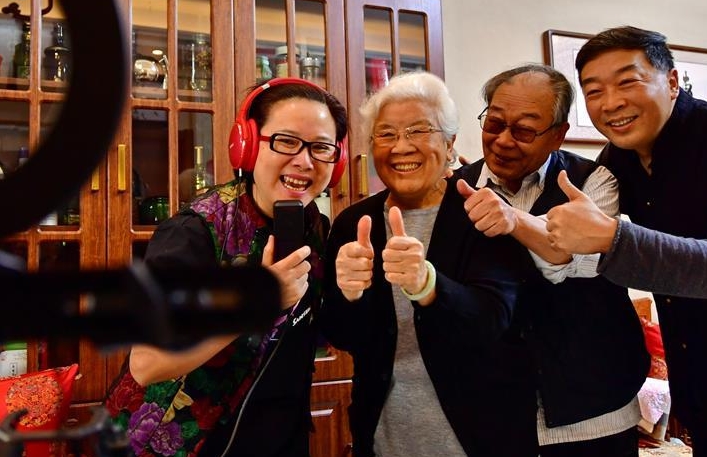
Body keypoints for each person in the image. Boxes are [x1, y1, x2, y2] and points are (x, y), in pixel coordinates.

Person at [545, 25, 707, 457]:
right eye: (594, 91)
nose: (610, 103)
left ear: (672, 82)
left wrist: (612, 237)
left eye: (627, 82)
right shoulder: (620, 158)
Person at [104, 78, 348, 457]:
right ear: (246, 145)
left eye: (321, 147)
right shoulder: (196, 231)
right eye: (286, 141)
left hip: (278, 435)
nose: (304, 161)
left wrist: (351, 288)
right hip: (179, 444)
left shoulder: (315, 226)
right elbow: (147, 362)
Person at [319, 71, 534, 457]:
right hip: (384, 439)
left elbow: (494, 319)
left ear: (450, 145)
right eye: (386, 134)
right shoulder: (354, 223)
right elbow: (344, 335)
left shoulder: (483, 212)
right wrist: (349, 296)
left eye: (419, 131)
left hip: (481, 439)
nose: (401, 147)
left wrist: (427, 285)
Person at [455, 64, 648, 457]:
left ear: (558, 135)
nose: (503, 141)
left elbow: (579, 260)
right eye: (494, 124)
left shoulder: (593, 182)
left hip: (595, 412)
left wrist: (513, 220)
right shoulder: (457, 189)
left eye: (524, 130)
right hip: (494, 415)